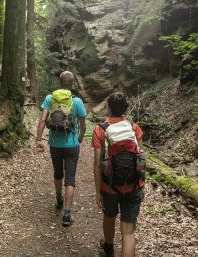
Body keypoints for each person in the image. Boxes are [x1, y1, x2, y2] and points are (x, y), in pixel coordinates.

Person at [91, 91, 145, 257]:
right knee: (128, 233)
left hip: (110, 186)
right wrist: (141, 185)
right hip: (133, 185)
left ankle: (108, 248)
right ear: (125, 109)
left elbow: (97, 164)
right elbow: (140, 157)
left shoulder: (100, 130)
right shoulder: (134, 128)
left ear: (108, 108)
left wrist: (98, 191)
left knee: (109, 217)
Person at [36, 71, 87, 227]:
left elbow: (43, 119)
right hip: (71, 145)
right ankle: (67, 213)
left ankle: (59, 198)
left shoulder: (50, 98)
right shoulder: (77, 101)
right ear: (72, 84)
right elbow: (83, 125)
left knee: (58, 173)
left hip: (55, 145)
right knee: (70, 178)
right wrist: (80, 137)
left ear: (60, 83)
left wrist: (38, 139)